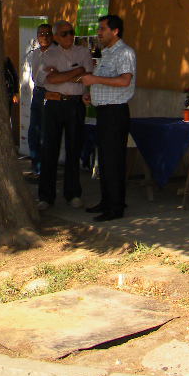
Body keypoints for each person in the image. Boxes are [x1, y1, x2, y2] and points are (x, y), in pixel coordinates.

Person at [80, 14, 136, 222]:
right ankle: (107, 201)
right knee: (104, 160)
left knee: (114, 161)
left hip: (115, 113)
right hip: (104, 111)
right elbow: (107, 81)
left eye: (102, 29)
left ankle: (116, 207)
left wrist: (94, 79)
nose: (99, 33)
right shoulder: (107, 53)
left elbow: (124, 81)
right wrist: (92, 93)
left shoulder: (125, 53)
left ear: (115, 31)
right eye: (99, 29)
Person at [37, 21, 93, 211]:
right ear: (56, 37)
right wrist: (76, 72)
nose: (69, 36)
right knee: (49, 149)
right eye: (64, 34)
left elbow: (86, 76)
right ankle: (46, 196)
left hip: (75, 104)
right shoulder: (49, 54)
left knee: (74, 148)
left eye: (71, 33)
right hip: (53, 103)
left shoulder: (83, 52)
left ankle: (73, 193)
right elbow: (49, 80)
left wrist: (65, 75)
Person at [24, 24, 54, 180]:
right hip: (37, 92)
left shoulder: (56, 53)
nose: (45, 36)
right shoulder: (34, 53)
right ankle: (36, 168)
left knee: (44, 133)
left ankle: (45, 171)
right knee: (33, 132)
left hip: (50, 93)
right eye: (41, 34)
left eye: (48, 33)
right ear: (37, 36)